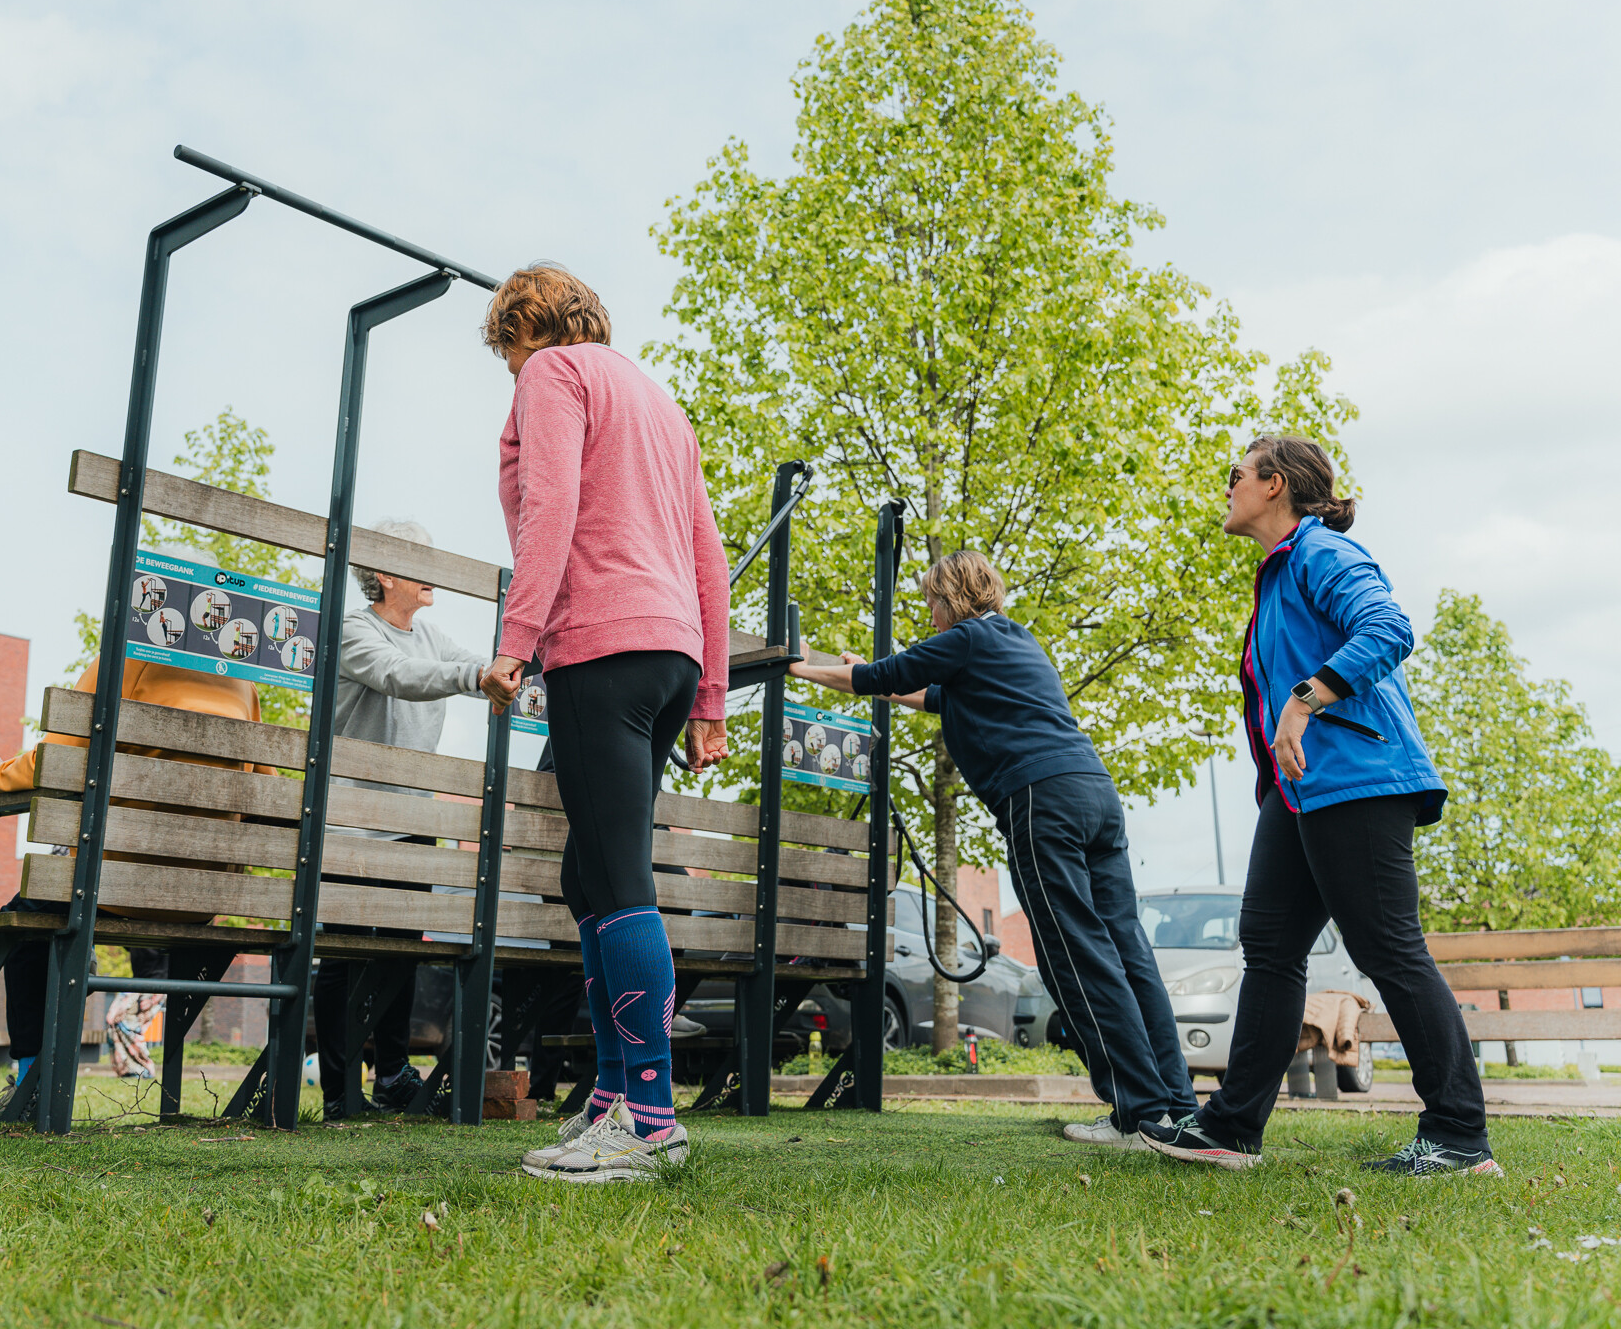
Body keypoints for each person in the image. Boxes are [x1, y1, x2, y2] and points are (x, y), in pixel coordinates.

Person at [1139, 436, 1496, 1176]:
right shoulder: (1277, 577)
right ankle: (1231, 1130)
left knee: (1389, 950)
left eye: (1235, 474)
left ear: (1273, 485)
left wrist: (1307, 699)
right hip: (1300, 793)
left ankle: (1459, 1136)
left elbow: (1389, 629)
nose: (1227, 486)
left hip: (1358, 778)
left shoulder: (1321, 554)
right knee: (1268, 947)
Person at [788, 549, 1200, 1147]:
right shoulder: (1013, 641)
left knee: (1076, 957)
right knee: (1126, 949)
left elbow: (885, 677)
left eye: (932, 599)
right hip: (1094, 798)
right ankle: (1175, 1104)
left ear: (951, 597)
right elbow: (926, 694)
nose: (928, 611)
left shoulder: (965, 638)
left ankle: (1139, 1112)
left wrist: (804, 668)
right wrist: (872, 670)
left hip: (1041, 800)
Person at [477, 264, 730, 1184]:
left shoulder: (554, 374)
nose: (509, 373)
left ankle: (651, 1118)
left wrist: (518, 637)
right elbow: (709, 550)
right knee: (588, 875)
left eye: (504, 351)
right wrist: (709, 697)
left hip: (602, 645)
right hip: (670, 656)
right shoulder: (660, 403)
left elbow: (552, 508)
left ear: (521, 329)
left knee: (617, 877)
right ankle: (613, 1099)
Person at [0, 544, 278, 1100]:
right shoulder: (244, 685)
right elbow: (267, 789)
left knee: (26, 923)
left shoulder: (127, 659)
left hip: (113, 887)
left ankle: (32, 1073)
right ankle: (162, 1074)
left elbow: (58, 760)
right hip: (203, 897)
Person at [315, 517, 490, 1119]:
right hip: (355, 819)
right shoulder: (354, 631)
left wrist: (527, 659)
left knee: (401, 949)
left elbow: (481, 664)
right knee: (345, 953)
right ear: (386, 574)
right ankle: (339, 1090)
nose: (432, 571)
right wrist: (477, 675)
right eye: (420, 559)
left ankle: (390, 1073)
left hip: (412, 815)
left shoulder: (432, 635)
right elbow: (400, 676)